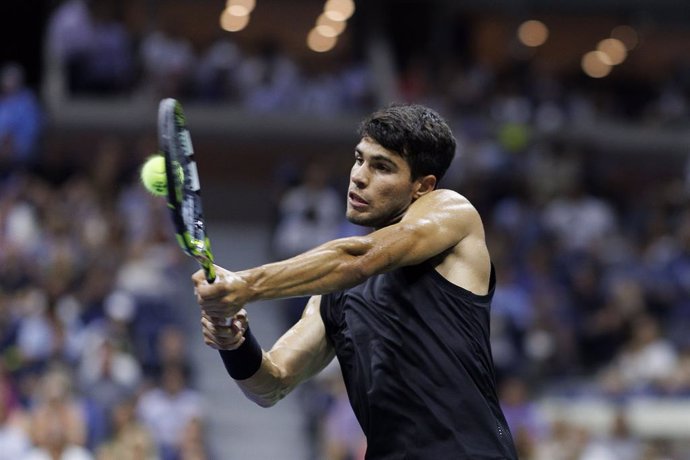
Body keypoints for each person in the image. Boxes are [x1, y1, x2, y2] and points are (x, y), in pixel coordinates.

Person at [193, 104, 518, 459]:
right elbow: (271, 385)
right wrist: (233, 341)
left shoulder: (454, 214)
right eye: (359, 159)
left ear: (422, 187)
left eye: (382, 167)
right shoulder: (333, 289)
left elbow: (361, 258)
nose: (359, 176)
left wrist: (245, 285)